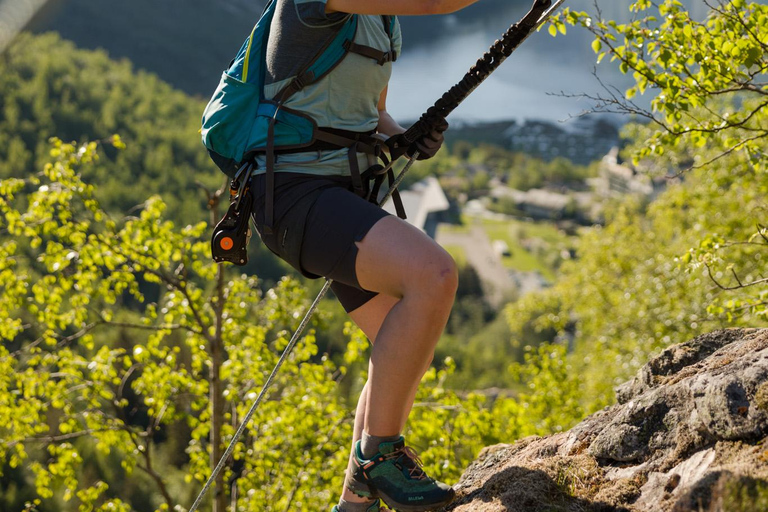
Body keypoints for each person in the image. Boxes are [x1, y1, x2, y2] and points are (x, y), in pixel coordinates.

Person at [247, 1, 481, 510]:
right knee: (434, 275)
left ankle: (356, 501)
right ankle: (380, 457)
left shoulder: (382, 18)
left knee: (394, 344)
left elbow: (369, 114)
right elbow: (435, 2)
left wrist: (403, 137)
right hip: (295, 197)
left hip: (345, 197)